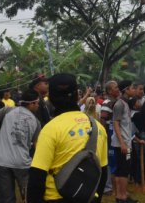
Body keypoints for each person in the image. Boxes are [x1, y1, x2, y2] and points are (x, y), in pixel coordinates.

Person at [28, 73, 108, 203]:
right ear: (77, 94)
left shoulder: (51, 129)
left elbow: (37, 176)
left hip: (56, 198)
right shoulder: (98, 128)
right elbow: (102, 172)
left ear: (51, 97)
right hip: (89, 198)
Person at [0, 89, 41, 203]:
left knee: (5, 199)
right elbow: (36, 147)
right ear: (31, 103)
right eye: (37, 103)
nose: (38, 105)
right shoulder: (36, 122)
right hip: (22, 164)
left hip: (3, 162)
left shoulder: (8, 110)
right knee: (30, 197)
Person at [108, 80, 136, 202]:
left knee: (123, 169)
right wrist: (123, 143)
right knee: (123, 170)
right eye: (132, 88)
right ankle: (122, 196)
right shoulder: (120, 104)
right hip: (122, 144)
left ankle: (121, 195)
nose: (133, 90)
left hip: (126, 142)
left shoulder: (126, 103)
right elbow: (116, 124)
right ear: (126, 90)